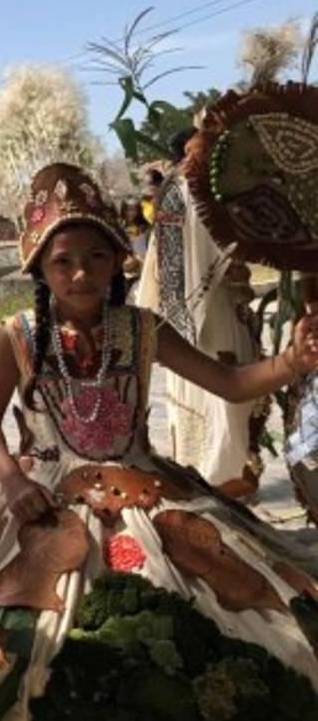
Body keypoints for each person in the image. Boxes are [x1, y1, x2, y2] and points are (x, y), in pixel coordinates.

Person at [0, 164, 318, 721]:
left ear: (117, 260)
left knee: (242, 612)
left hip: (146, 491)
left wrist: (290, 363)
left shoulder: (143, 330)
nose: (81, 274)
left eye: (96, 258)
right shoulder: (17, 337)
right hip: (43, 495)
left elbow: (228, 385)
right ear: (38, 267)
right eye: (64, 261)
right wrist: (10, 478)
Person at [137, 129, 268, 497]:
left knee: (216, 397)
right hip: (209, 315)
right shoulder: (191, 190)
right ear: (188, 151)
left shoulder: (175, 191)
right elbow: (216, 248)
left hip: (198, 315)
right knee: (223, 394)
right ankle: (223, 483)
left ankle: (221, 481)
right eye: (203, 145)